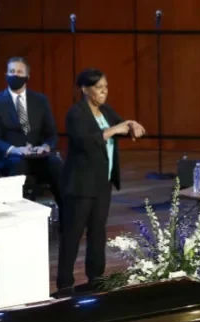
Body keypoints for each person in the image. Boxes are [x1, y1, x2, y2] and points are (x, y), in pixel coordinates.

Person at [56, 68, 146, 293]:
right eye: (99, 88)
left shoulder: (105, 110)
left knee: (98, 232)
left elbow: (121, 126)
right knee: (73, 234)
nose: (104, 92)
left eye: (106, 87)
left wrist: (132, 124)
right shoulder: (76, 113)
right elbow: (83, 142)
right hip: (80, 185)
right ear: (85, 89)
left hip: (101, 184)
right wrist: (112, 130)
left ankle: (96, 278)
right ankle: (65, 284)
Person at [0, 57, 63, 207]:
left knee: (56, 165)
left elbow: (51, 133)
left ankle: (68, 222)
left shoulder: (40, 100)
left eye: (19, 72)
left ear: (27, 77)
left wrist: (46, 146)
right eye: (11, 71)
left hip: (37, 156)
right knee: (20, 166)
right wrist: (15, 150)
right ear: (6, 74)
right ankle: (19, 217)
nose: (15, 75)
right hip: (10, 158)